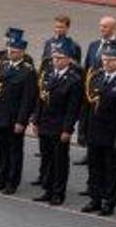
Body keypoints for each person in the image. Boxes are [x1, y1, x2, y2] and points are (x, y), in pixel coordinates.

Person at [82, 46, 116, 216]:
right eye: (104, 60)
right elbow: (88, 108)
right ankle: (95, 198)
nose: (106, 63)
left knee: (111, 170)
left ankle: (109, 202)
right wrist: (83, 130)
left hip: (112, 134)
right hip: (95, 131)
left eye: (110, 60)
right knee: (94, 167)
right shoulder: (97, 78)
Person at [0, 30, 38, 194]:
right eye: (9, 50)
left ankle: (12, 181)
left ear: (22, 52)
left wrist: (21, 121)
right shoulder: (1, 66)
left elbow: (27, 99)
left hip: (14, 117)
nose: (10, 53)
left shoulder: (28, 71)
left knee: (14, 150)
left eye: (14, 51)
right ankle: (1, 177)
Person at [34, 45, 83, 205]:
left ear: (68, 60)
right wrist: (36, 120)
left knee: (59, 160)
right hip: (46, 123)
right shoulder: (48, 75)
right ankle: (48, 189)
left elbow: (72, 108)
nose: (56, 61)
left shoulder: (73, 80)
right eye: (54, 58)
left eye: (60, 58)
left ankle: (58, 193)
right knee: (47, 158)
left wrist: (67, 129)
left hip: (60, 125)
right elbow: (41, 100)